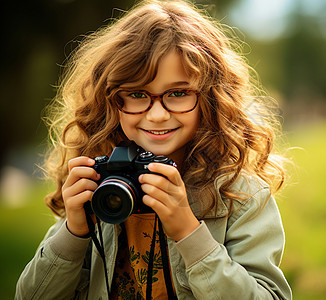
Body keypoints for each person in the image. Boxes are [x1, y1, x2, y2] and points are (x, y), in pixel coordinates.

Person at [15, 0, 292, 299]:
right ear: (109, 99)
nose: (157, 115)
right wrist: (73, 233)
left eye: (178, 93)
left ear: (212, 96)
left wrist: (188, 232)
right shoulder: (100, 186)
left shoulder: (241, 196)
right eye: (136, 94)